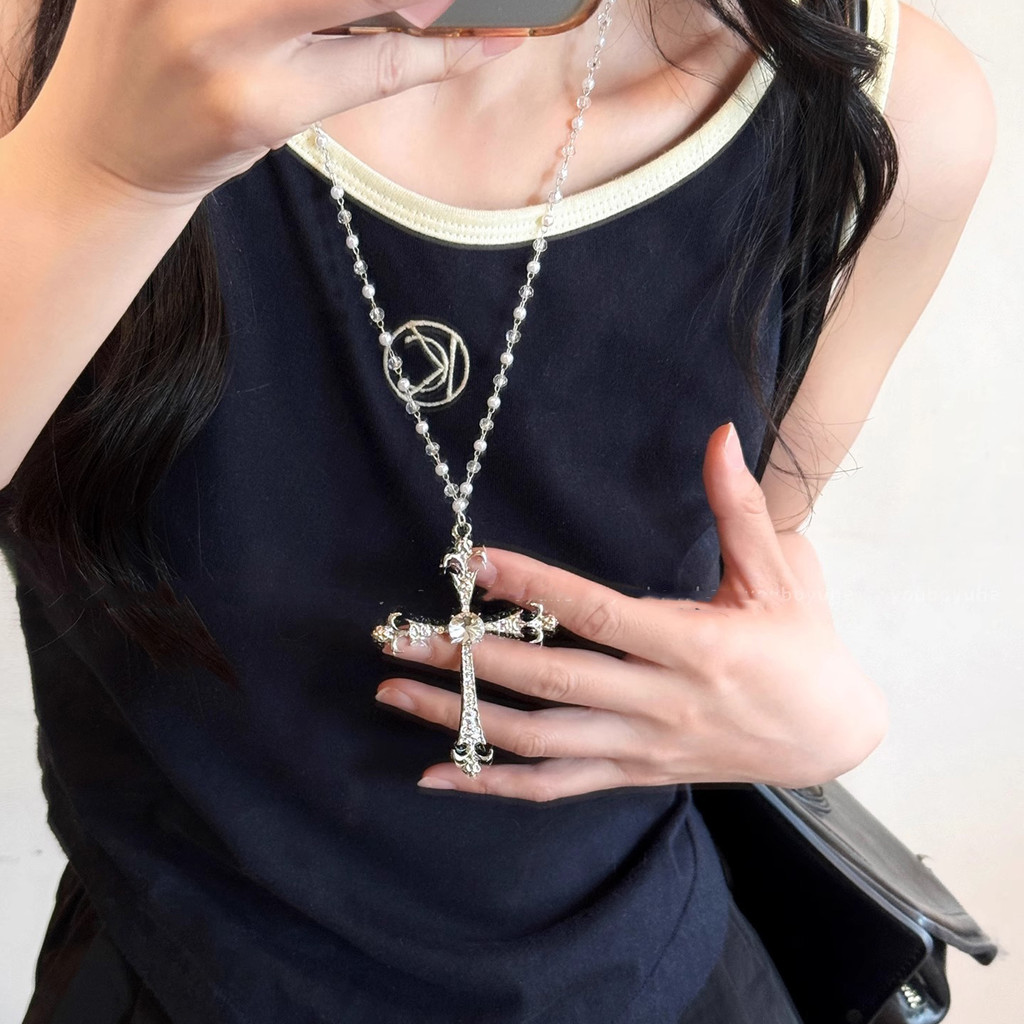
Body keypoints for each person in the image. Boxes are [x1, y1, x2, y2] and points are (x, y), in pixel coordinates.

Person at [0, 0, 995, 1022]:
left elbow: (756, 542)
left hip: (646, 971)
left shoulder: (892, 102)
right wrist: (106, 176)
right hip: (177, 969)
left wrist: (821, 719)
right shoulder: (46, 41)